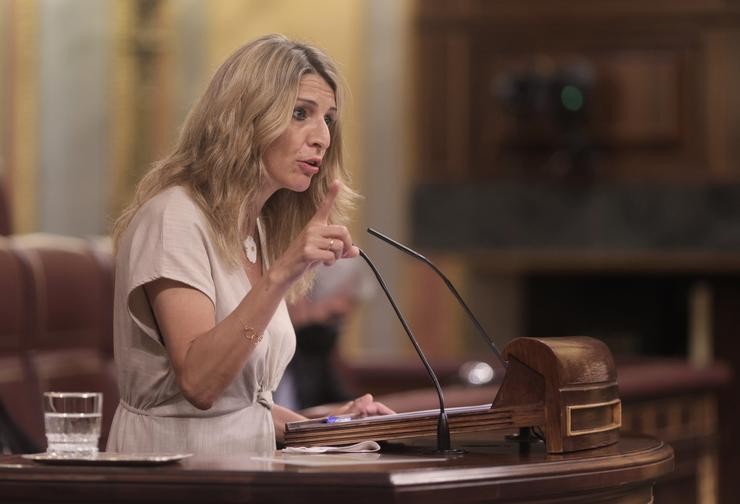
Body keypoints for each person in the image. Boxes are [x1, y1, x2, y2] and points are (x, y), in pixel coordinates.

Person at [106, 34, 393, 455]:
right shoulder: (174, 218)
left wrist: (332, 426)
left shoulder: (255, 230)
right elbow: (201, 386)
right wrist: (282, 273)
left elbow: (240, 408)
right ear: (246, 116)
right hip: (174, 476)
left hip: (243, 470)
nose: (322, 138)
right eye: (301, 113)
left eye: (328, 119)